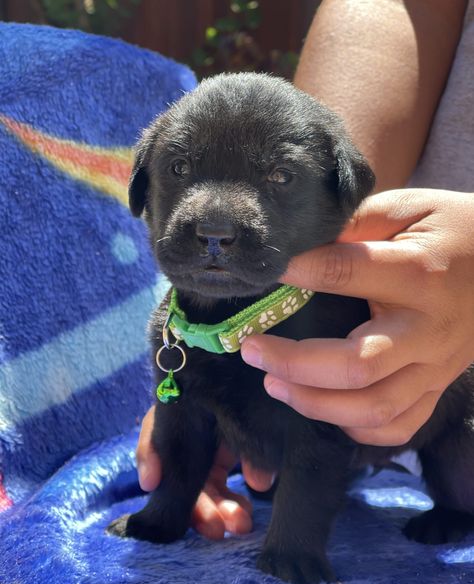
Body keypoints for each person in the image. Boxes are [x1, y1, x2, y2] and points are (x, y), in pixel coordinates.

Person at [136, 0, 474, 540]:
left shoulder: (328, 315)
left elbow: (319, 439)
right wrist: (165, 508)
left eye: (278, 177)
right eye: (179, 169)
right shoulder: (175, 328)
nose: (216, 222)